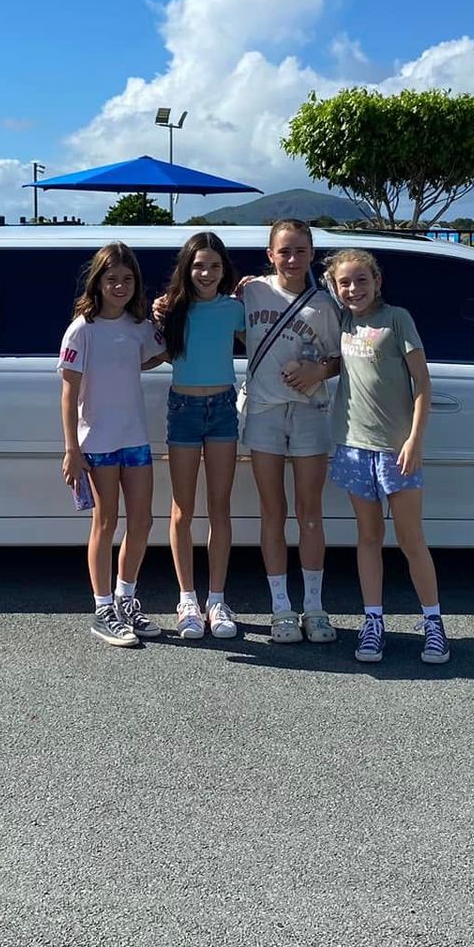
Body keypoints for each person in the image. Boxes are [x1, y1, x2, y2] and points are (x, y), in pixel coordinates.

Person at [322, 248, 446, 665]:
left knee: (411, 539)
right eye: (345, 282)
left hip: (396, 452)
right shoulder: (342, 320)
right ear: (335, 287)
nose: (353, 289)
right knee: (368, 538)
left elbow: (423, 383)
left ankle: (433, 623)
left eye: (361, 280)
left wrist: (415, 439)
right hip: (354, 448)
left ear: (377, 281)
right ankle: (373, 621)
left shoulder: (397, 319)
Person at [238, 219, 343, 644]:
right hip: (264, 411)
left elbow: (339, 358)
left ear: (312, 254)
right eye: (285, 251)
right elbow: (201, 303)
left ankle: (314, 606)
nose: (293, 259)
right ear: (270, 254)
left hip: (310, 412)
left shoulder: (325, 305)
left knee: (310, 512)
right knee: (272, 512)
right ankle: (281, 606)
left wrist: (317, 370)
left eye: (300, 251)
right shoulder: (250, 292)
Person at [60, 241, 169, 647]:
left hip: (134, 439)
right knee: (104, 523)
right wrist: (72, 449)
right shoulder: (82, 329)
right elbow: (68, 394)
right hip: (98, 443)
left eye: (127, 279)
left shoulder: (137, 325)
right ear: (98, 282)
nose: (120, 286)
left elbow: (158, 352)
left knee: (142, 522)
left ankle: (126, 599)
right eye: (112, 279)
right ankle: (103, 608)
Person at [155, 232, 246, 640]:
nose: (206, 273)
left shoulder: (235, 309)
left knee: (220, 508)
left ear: (224, 269)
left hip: (224, 410)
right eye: (198, 266)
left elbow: (268, 339)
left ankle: (217, 599)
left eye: (214, 266)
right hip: (184, 410)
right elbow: (147, 352)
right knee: (182, 509)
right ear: (186, 269)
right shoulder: (171, 309)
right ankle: (187, 598)